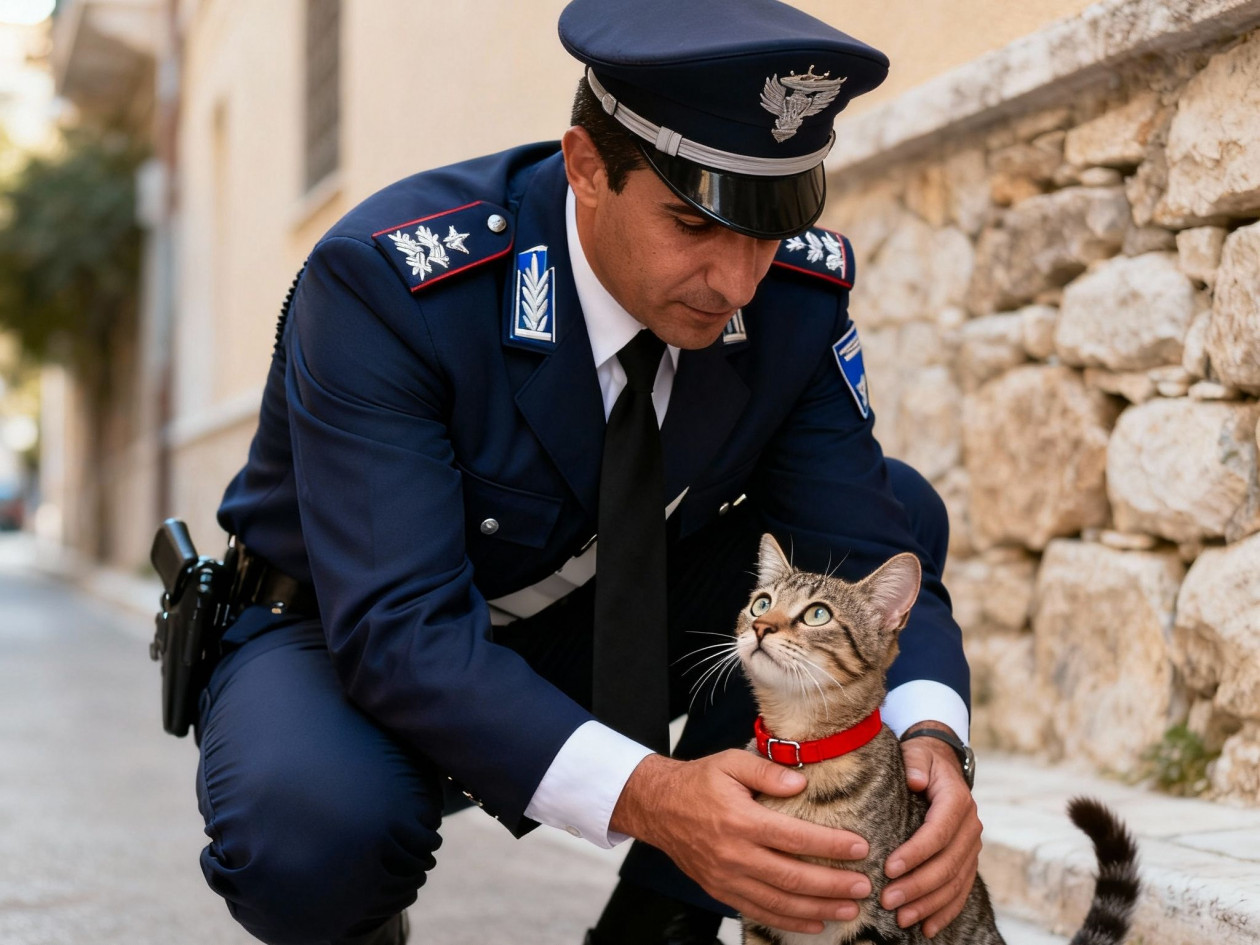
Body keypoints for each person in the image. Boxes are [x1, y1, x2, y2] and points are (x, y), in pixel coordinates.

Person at [199, 1, 982, 943]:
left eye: (766, 234)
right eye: (694, 225)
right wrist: (654, 794)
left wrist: (933, 745)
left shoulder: (789, 302)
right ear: (585, 168)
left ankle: (658, 923)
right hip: (343, 634)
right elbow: (399, 626)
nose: (736, 281)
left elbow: (864, 538)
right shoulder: (388, 283)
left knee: (898, 505)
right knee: (308, 831)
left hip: (592, 624)